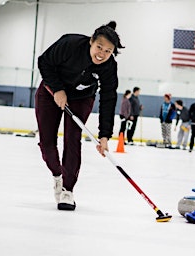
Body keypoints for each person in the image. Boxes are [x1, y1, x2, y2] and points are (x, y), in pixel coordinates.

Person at [35, 21, 124, 211]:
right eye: (99, 47)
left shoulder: (109, 68)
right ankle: (57, 176)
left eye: (108, 51)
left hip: (81, 99)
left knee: (72, 139)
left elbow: (108, 99)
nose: (101, 54)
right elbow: (44, 61)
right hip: (51, 91)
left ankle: (67, 190)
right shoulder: (70, 44)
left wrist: (104, 135)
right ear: (91, 41)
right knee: (47, 142)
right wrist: (58, 89)